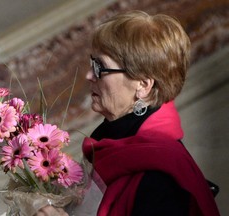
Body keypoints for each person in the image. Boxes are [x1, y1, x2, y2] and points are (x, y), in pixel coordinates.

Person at [37, 10, 220, 216]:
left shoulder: (161, 177)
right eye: (92, 63)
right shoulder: (111, 140)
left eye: (100, 67)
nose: (89, 75)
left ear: (143, 84)